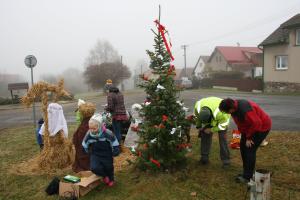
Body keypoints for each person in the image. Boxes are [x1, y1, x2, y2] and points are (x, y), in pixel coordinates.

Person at [219, 98, 272, 183]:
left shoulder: (245, 110)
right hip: (249, 128)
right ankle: (246, 173)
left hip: (261, 127)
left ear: (231, 109)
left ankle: (248, 177)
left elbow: (257, 123)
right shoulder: (233, 106)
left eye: (226, 112)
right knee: (243, 148)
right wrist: (243, 135)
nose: (227, 114)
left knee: (249, 150)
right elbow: (241, 122)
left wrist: (249, 138)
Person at [82, 114, 120, 187]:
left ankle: (111, 179)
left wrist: (116, 149)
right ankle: (104, 176)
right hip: (95, 154)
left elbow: (114, 141)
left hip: (107, 154)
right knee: (94, 168)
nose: (92, 130)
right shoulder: (89, 135)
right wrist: (86, 150)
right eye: (90, 128)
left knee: (108, 167)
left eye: (94, 128)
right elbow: (85, 143)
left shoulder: (107, 133)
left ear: (100, 126)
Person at [194, 97, 231, 167]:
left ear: (211, 116)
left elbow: (222, 126)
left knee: (222, 139)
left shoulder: (222, 113)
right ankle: (204, 159)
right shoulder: (198, 106)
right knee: (205, 136)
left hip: (221, 119)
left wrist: (211, 130)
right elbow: (197, 117)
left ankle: (226, 161)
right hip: (212, 113)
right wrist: (199, 127)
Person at [72, 102, 96, 173]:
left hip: (85, 154)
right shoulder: (94, 123)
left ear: (82, 113)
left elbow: (76, 141)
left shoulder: (84, 126)